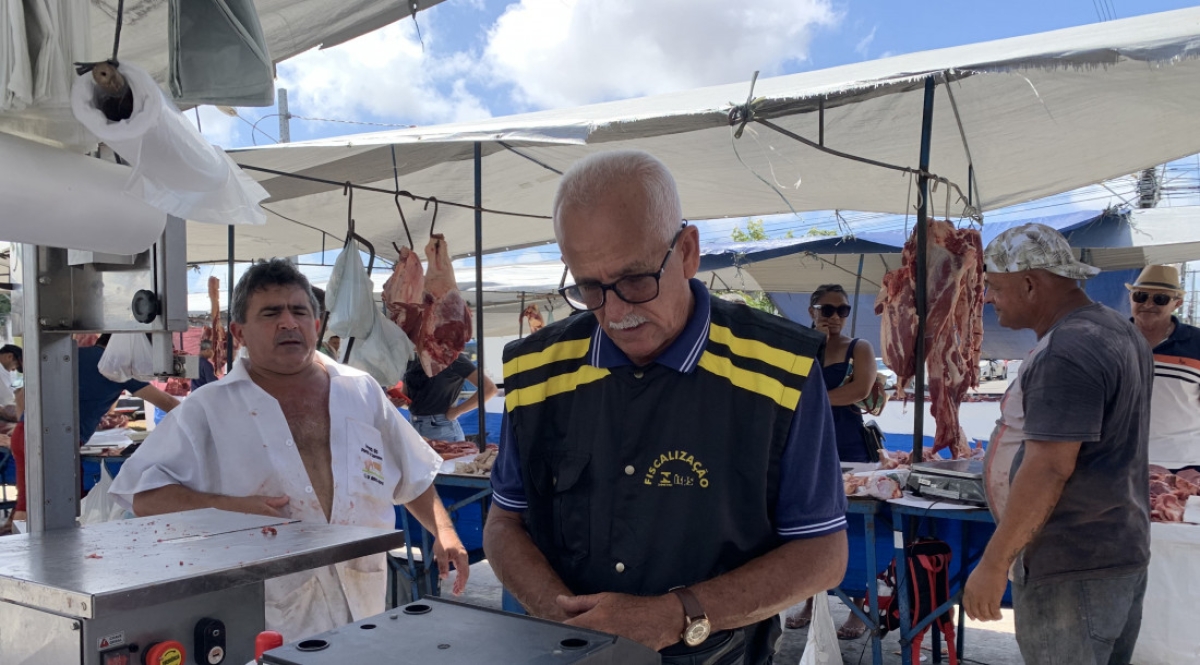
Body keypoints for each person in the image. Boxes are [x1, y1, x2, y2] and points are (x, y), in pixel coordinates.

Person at [484, 150, 848, 664]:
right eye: (590, 287)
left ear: (688, 252)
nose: (615, 312)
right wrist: (563, 618)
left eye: (636, 280)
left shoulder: (779, 370)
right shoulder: (536, 370)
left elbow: (822, 556)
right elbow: (504, 523)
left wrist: (676, 614)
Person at [109, 258, 470, 641]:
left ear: (316, 326)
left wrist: (445, 532)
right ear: (239, 332)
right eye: (270, 313)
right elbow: (142, 495)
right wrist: (226, 506)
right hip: (268, 609)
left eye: (299, 311)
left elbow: (412, 474)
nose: (288, 322)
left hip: (362, 596)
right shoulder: (208, 408)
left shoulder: (361, 391)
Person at [964, 223, 1151, 665]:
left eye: (994, 288)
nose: (990, 300)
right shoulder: (1119, 331)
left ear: (1029, 284)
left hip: (1070, 567)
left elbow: (1049, 468)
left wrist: (993, 565)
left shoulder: (1067, 350)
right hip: (1118, 553)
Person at [8, 334, 180, 525]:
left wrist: (26, 424)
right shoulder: (118, 365)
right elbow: (167, 402)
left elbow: (22, 396)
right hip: (53, 442)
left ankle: (22, 543)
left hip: (25, 433)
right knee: (54, 506)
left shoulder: (72, 356)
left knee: (30, 504)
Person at [786, 284, 878, 638]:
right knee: (810, 523)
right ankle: (811, 600)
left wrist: (811, 402)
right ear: (812, 311)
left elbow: (860, 390)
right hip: (808, 442)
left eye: (842, 311)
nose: (835, 317)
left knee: (853, 527)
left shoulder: (859, 348)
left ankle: (858, 607)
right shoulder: (798, 344)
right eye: (827, 310)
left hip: (848, 443)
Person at [1126, 264, 1200, 472]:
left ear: (1177, 303)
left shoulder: (1197, 342)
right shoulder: (1110, 340)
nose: (1148, 304)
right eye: (1140, 296)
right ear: (1130, 298)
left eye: (1160, 298)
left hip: (1187, 466)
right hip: (1121, 463)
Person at [403, 354, 498, 442]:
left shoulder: (454, 358)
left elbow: (489, 389)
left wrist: (458, 411)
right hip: (413, 425)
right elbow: (406, 398)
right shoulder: (412, 359)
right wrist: (398, 401)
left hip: (441, 427)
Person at [0, 344, 21, 441]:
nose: (14, 369)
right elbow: (8, 402)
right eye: (16, 365)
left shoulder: (7, 371)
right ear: (9, 357)